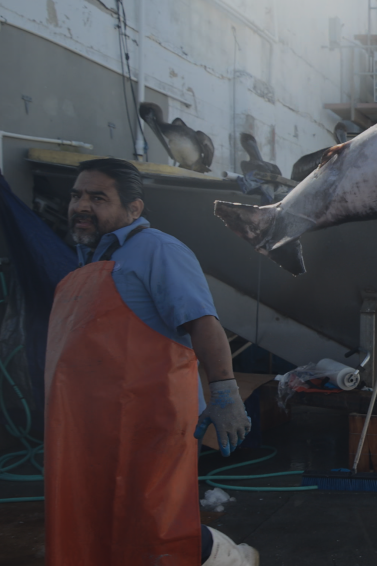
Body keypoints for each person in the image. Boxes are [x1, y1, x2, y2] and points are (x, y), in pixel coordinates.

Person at [45, 157, 259, 566]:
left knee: (155, 523)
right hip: (88, 429)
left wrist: (225, 391)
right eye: (76, 196)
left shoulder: (157, 249)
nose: (81, 206)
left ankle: (230, 558)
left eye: (97, 197)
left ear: (134, 208)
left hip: (150, 424)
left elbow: (203, 323)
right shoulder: (91, 263)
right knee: (102, 521)